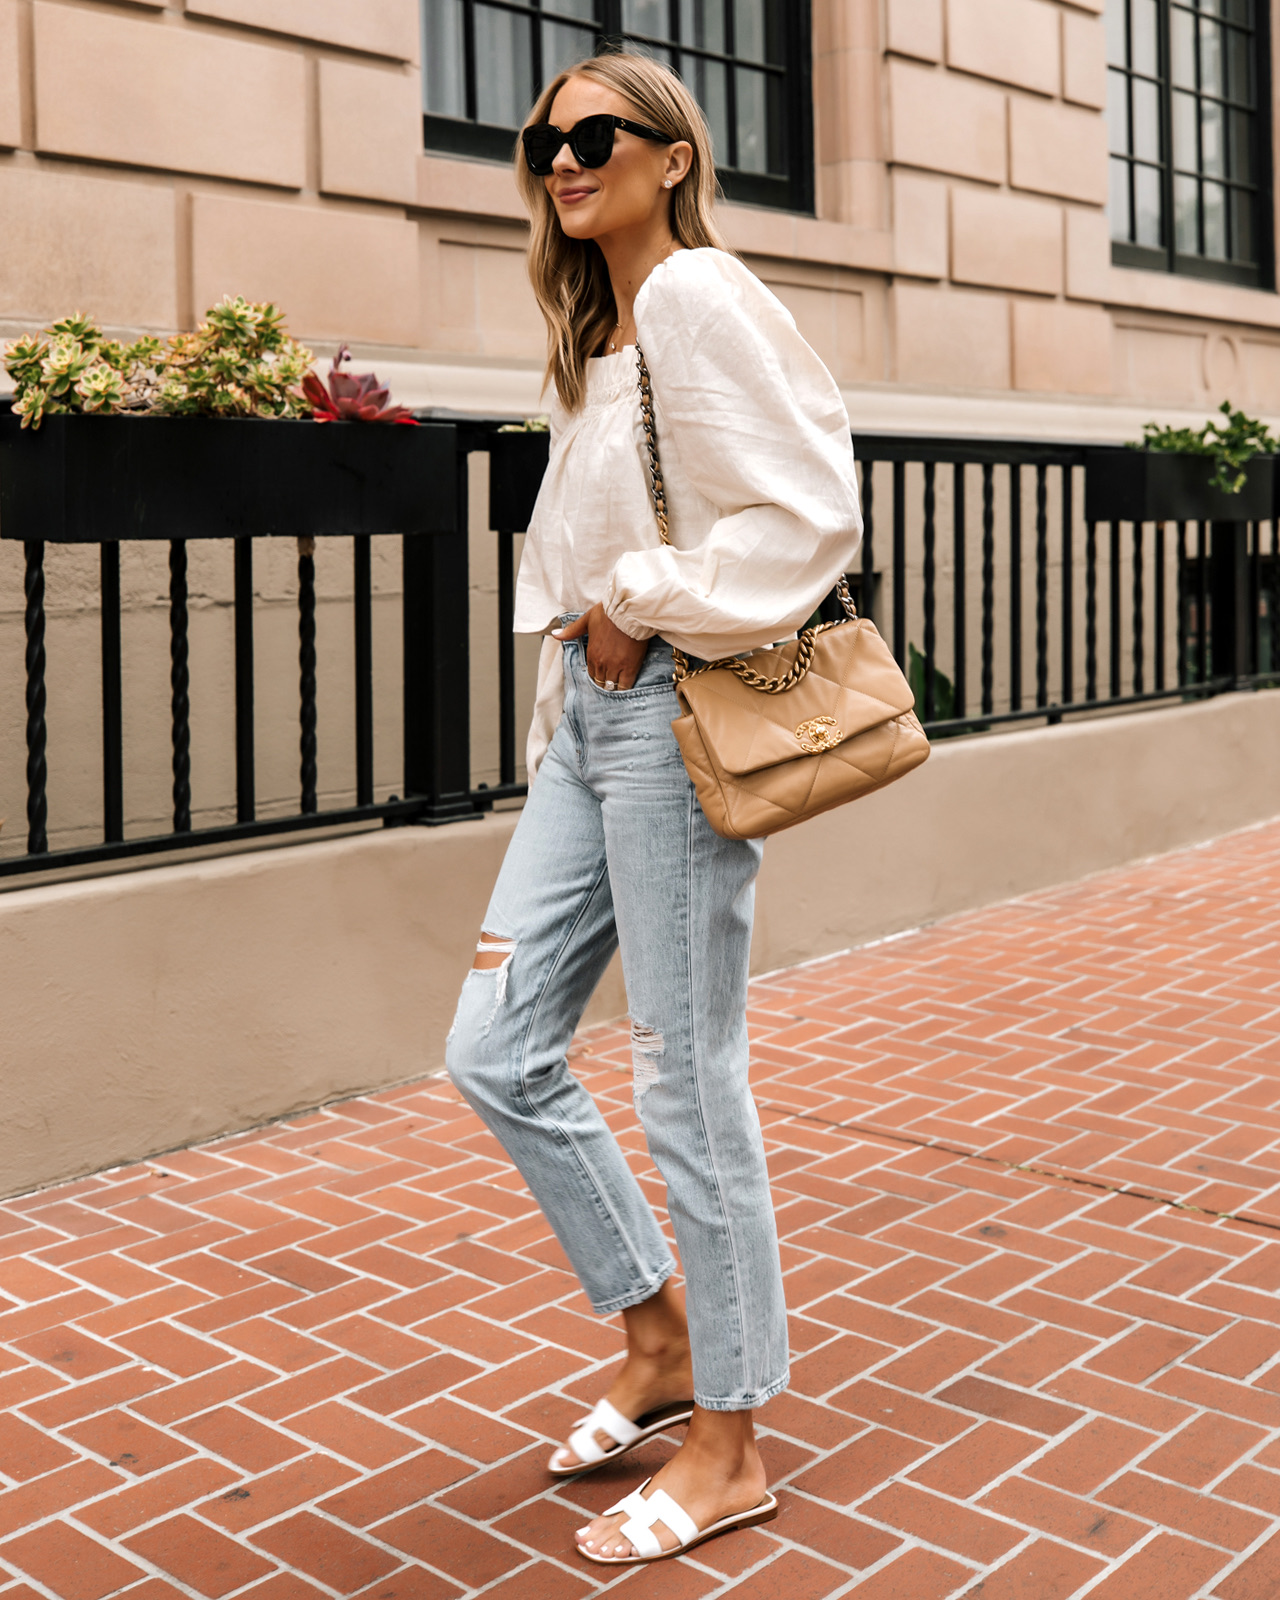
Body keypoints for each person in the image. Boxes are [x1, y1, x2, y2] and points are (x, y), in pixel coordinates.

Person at [444, 49, 862, 1566]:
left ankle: (735, 1436)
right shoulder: (602, 325)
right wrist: (585, 667)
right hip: (592, 731)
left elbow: (812, 502)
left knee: (688, 1080)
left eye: (598, 134)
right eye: (545, 138)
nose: (566, 158)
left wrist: (644, 599)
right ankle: (661, 1334)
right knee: (493, 1046)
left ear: (672, 154)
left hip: (672, 711)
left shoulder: (696, 294)